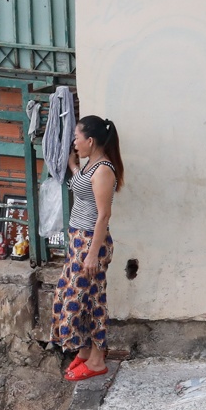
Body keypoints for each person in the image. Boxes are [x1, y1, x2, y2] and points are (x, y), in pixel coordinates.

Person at [52, 115, 122, 382]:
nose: (74, 143)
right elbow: (84, 190)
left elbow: (103, 215)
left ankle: (97, 360)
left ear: (90, 141)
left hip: (91, 242)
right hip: (78, 240)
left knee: (91, 300)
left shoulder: (103, 170)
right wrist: (73, 168)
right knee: (75, 297)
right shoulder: (91, 165)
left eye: (76, 138)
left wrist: (92, 254)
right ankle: (84, 351)